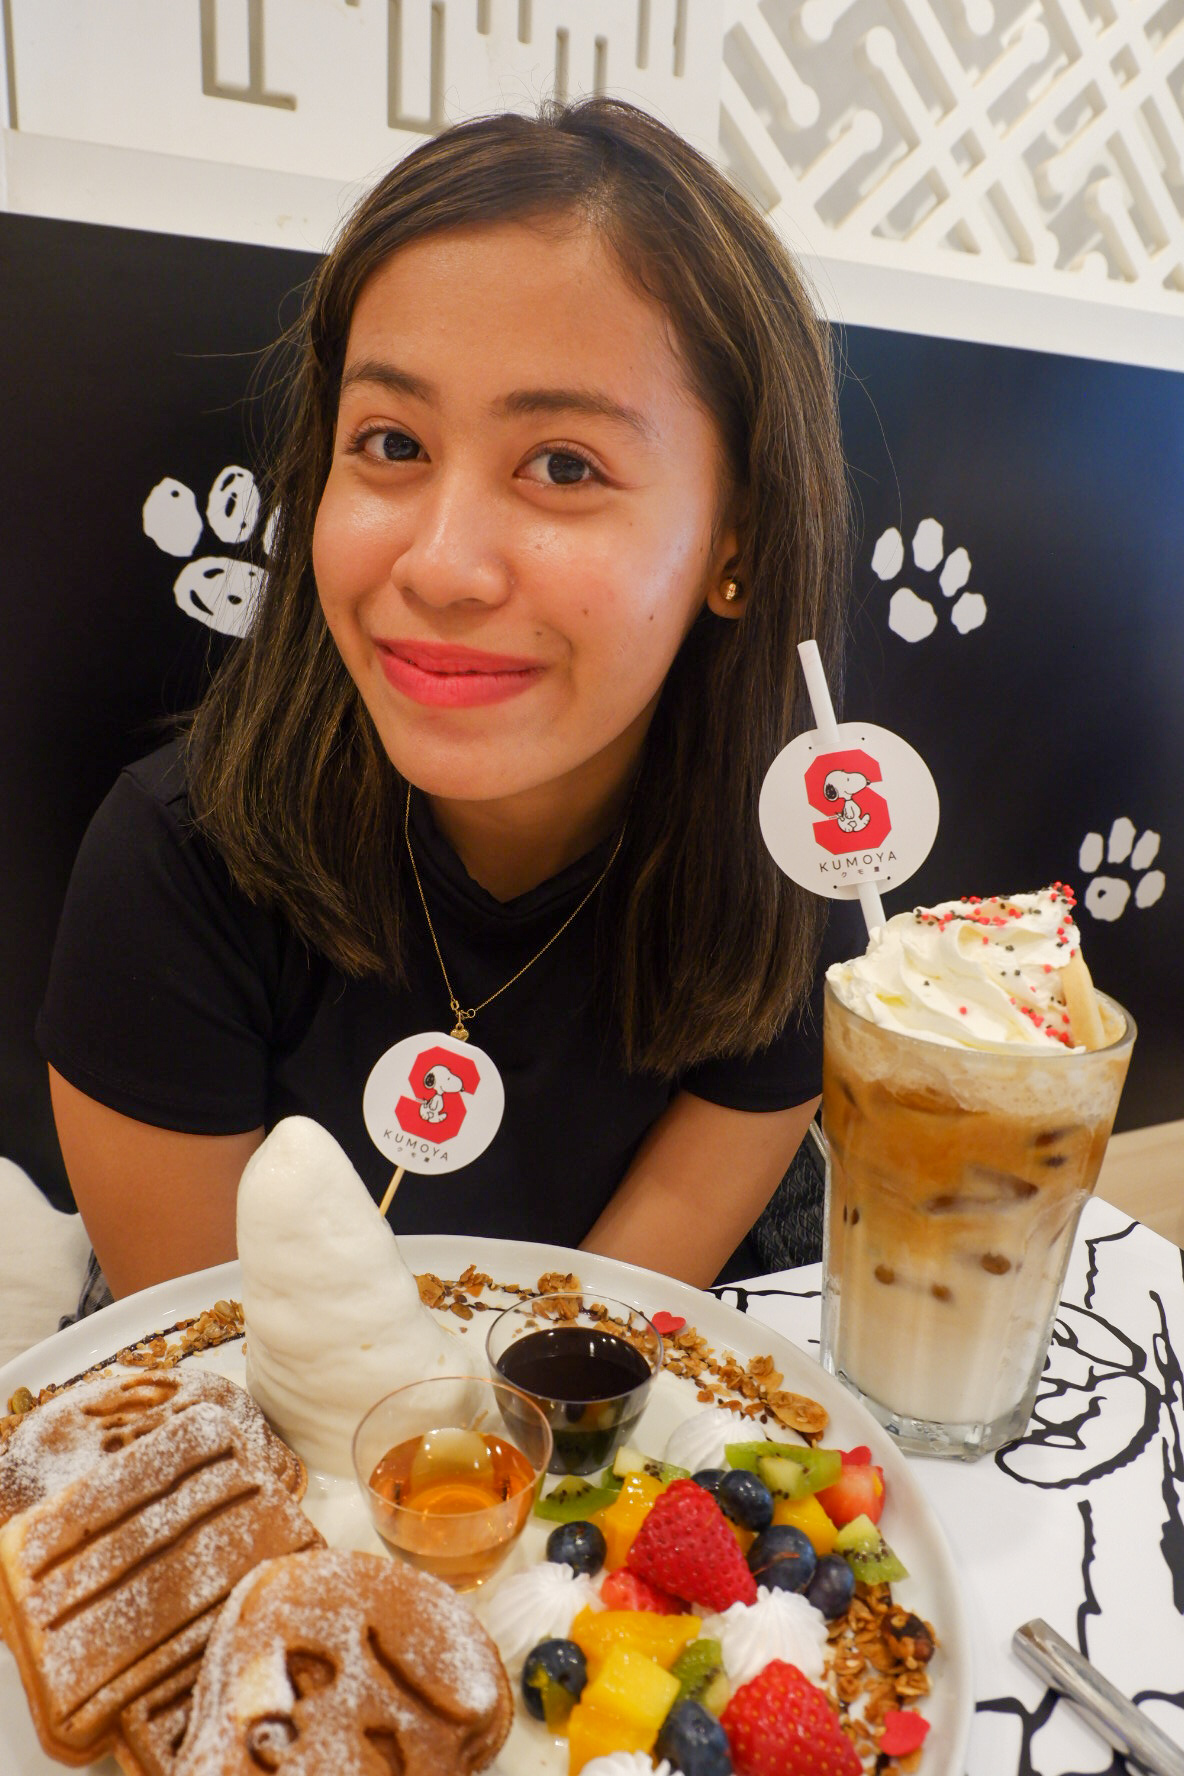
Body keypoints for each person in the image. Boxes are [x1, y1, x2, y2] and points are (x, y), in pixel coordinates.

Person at [37, 98, 852, 1304]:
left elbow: (599, 1329)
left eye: (563, 465)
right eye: (391, 444)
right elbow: (213, 1369)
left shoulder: (798, 852)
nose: (438, 567)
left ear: (737, 540)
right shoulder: (174, 866)